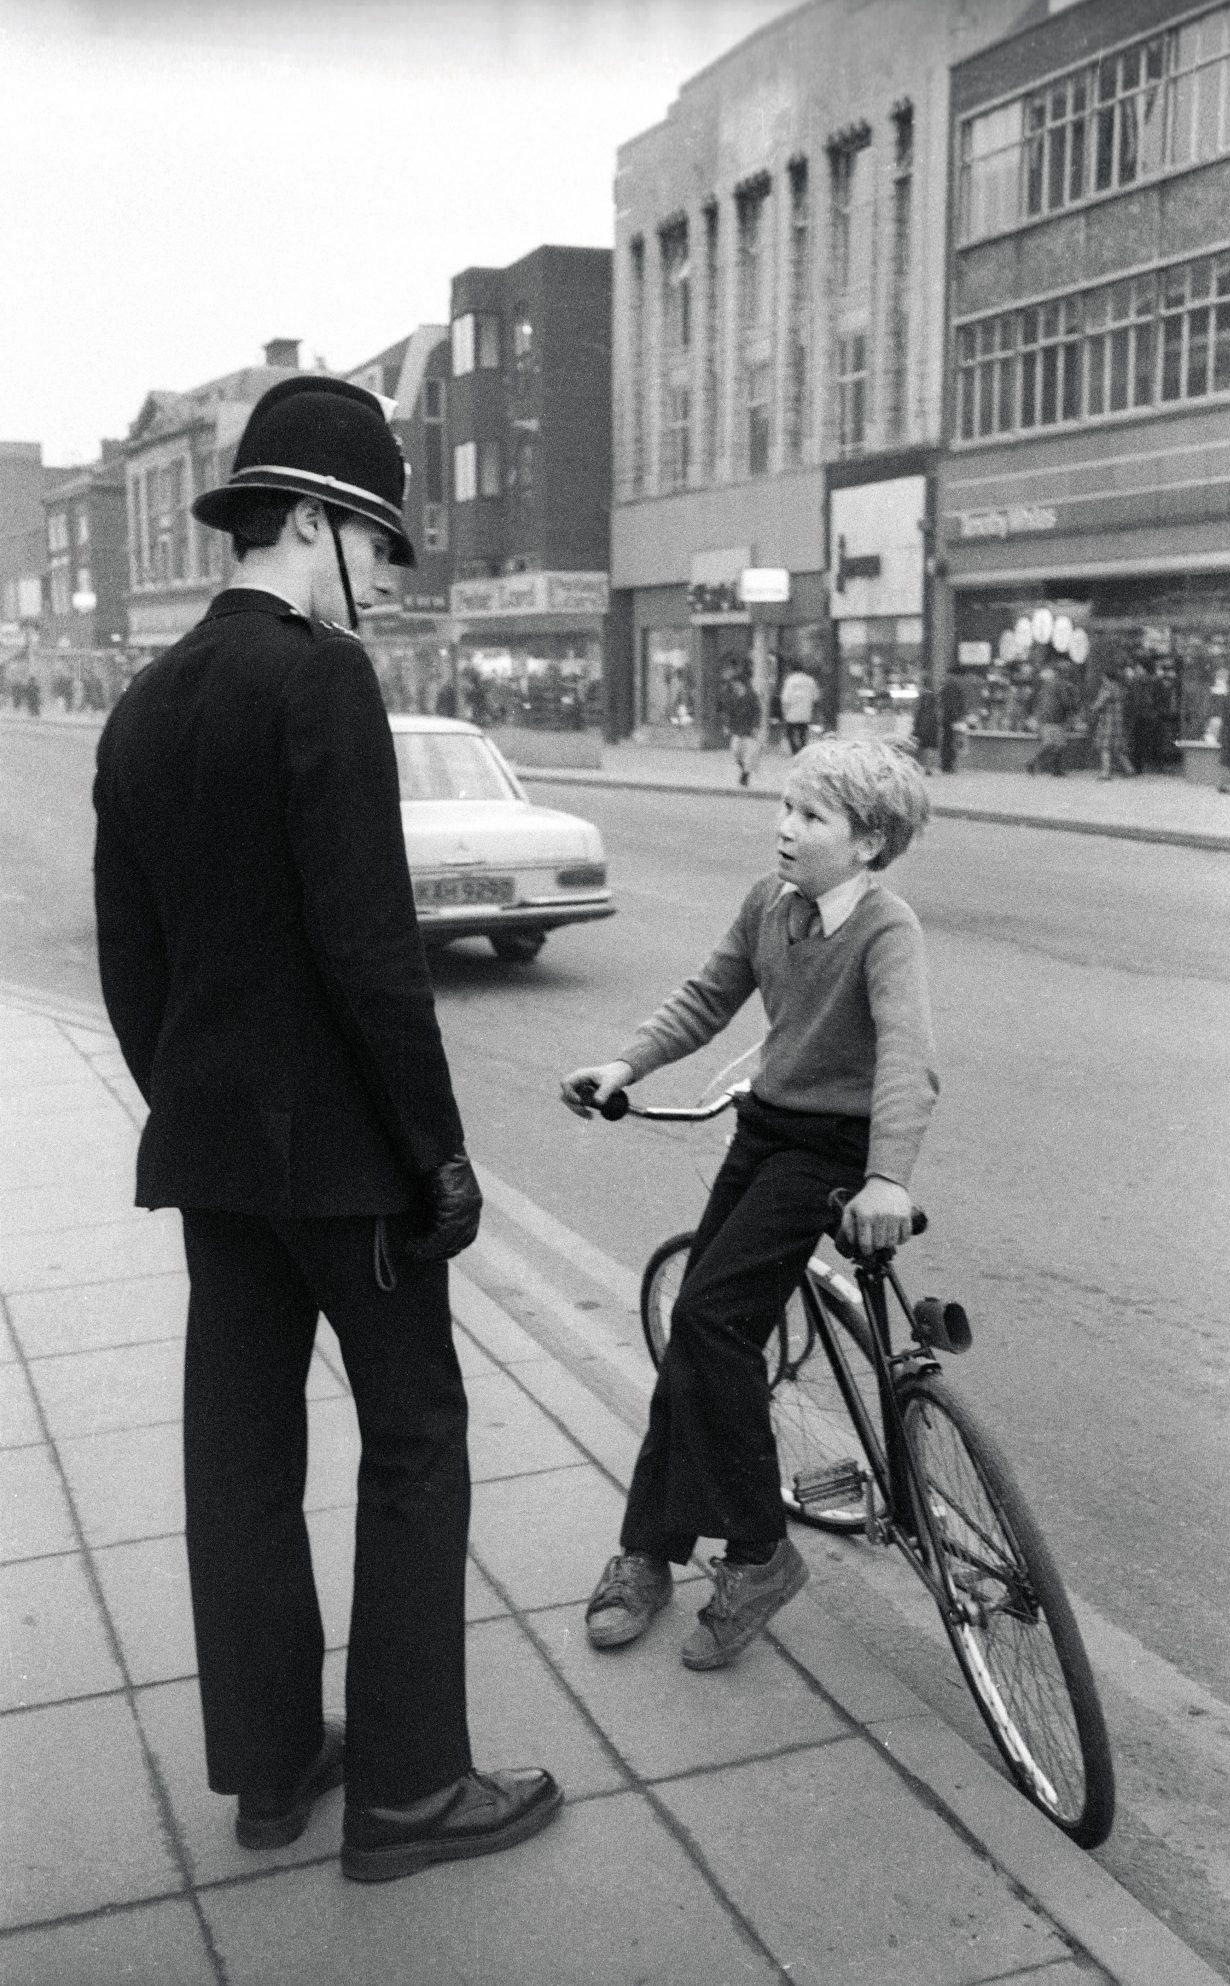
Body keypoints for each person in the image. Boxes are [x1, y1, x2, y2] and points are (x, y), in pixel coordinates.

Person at [93, 376, 561, 1886]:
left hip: (217, 1157)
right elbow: (372, 952)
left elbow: (130, 962)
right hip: (349, 1162)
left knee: (239, 1454)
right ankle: (415, 1785)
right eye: (376, 543)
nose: (383, 581)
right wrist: (438, 1155)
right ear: (313, 522)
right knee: (416, 1439)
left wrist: (195, 1103)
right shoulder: (322, 681)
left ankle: (277, 1765)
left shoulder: (147, 701)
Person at [560, 738, 938, 1672]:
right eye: (785, 808)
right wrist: (626, 1064)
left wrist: (888, 1175)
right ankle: (650, 1550)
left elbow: (906, 1056)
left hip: (833, 1151)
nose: (785, 829)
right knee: (700, 1330)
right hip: (767, 1128)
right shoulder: (770, 904)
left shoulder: (887, 930)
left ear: (869, 842)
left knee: (711, 1323)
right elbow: (708, 995)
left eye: (811, 818)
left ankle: (760, 1553)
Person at [1026, 665, 1072, 776]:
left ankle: (1035, 763)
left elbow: (1035, 702)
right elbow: (1065, 702)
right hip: (1056, 719)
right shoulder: (1059, 685)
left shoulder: (1043, 687)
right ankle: (1053, 769)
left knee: (1050, 744)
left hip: (1044, 718)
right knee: (1058, 745)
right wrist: (1070, 711)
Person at [722, 665, 763, 786]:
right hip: (737, 728)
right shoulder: (733, 696)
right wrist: (727, 725)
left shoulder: (751, 695)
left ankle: (745, 775)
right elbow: (729, 711)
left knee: (750, 753)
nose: (734, 685)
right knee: (735, 751)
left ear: (741, 683)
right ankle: (743, 767)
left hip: (749, 728)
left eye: (736, 683)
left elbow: (757, 711)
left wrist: (756, 726)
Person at [1089, 670, 1131, 780]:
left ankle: (1105, 773)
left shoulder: (1107, 689)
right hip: (1118, 721)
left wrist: (1093, 708)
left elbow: (1099, 704)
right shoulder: (1120, 688)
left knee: (1105, 748)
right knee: (1117, 748)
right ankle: (1129, 769)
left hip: (1108, 722)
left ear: (1106, 678)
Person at [779, 662, 820, 753]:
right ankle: (803, 749)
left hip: (792, 712)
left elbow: (785, 698)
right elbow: (816, 697)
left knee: (790, 732)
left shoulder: (790, 680)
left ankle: (795, 751)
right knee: (803, 732)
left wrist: (784, 711)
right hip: (805, 712)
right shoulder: (810, 680)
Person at [938, 664, 966, 773]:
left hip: (947, 717)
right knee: (949, 741)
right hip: (951, 718)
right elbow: (952, 703)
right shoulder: (952, 685)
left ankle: (947, 764)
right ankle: (947, 765)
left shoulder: (947, 684)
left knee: (947, 740)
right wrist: (957, 716)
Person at [911, 680, 939, 774]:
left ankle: (920, 767)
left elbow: (917, 716)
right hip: (930, 727)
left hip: (923, 727)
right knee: (929, 749)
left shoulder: (923, 696)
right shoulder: (932, 697)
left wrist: (915, 728)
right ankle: (928, 768)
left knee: (921, 749)